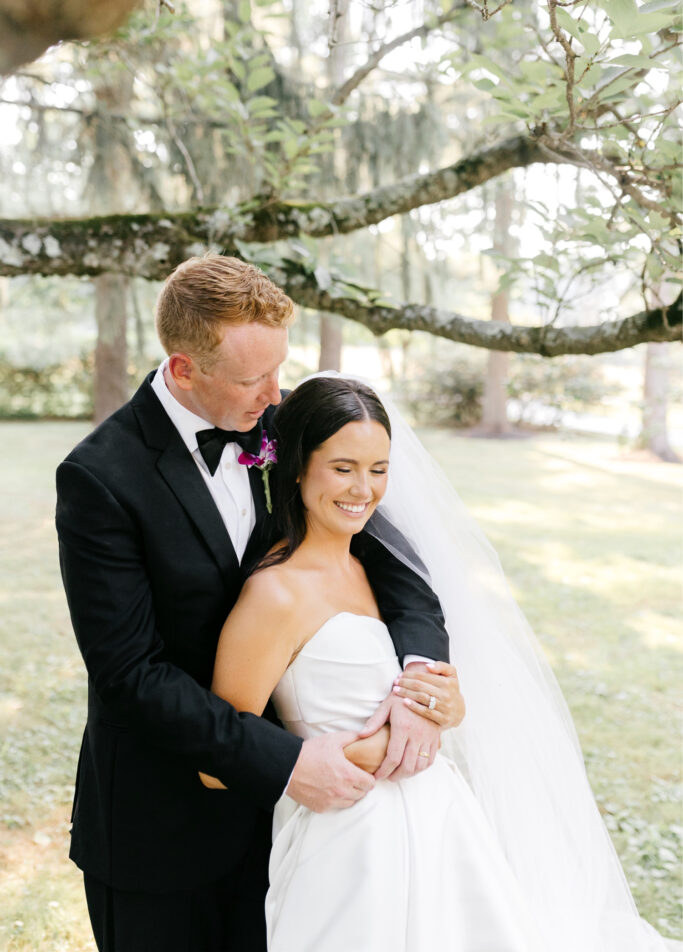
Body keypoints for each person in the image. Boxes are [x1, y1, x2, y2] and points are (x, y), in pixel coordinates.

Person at [55, 255, 463, 952]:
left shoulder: (282, 422)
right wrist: (286, 764)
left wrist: (419, 676)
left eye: (279, 369)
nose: (275, 395)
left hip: (304, 837)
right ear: (183, 369)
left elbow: (397, 570)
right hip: (165, 828)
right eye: (253, 379)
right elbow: (130, 677)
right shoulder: (100, 479)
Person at [203, 374, 669, 952]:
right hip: (350, 849)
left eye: (379, 469)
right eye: (343, 467)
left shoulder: (372, 566)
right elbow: (218, 761)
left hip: (440, 824)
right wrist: (372, 750)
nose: (364, 489)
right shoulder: (274, 595)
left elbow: (410, 671)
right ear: (298, 467)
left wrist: (445, 704)